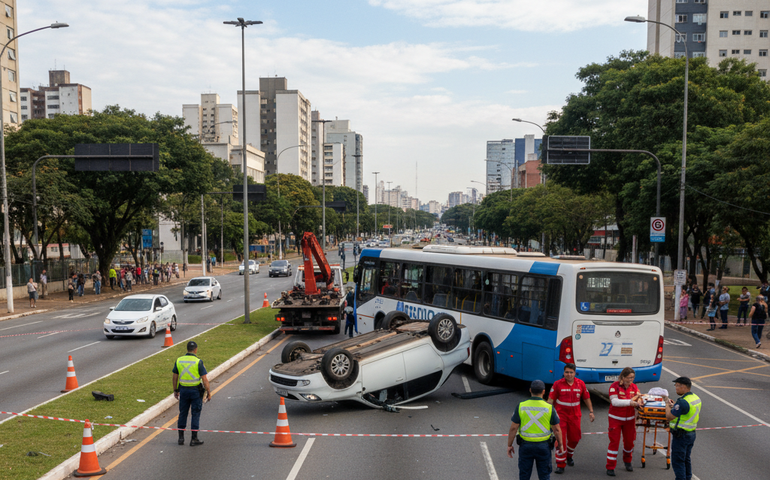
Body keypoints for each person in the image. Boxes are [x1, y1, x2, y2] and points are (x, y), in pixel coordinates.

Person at [507, 379, 563, 480]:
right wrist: (560, 444)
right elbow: (557, 430)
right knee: (544, 476)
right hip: (544, 447)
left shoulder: (521, 406)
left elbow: (513, 428)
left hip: (525, 446)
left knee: (524, 475)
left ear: (530, 390)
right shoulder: (549, 408)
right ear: (543, 392)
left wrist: (509, 445)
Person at [548, 363, 595, 474]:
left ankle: (569, 455)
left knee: (575, 438)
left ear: (575, 373)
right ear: (563, 373)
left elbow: (586, 398)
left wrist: (591, 411)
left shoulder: (580, 384)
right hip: (560, 417)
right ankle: (560, 464)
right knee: (560, 440)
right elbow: (550, 400)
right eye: (566, 372)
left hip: (575, 416)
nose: (569, 374)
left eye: (571, 372)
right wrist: (547, 414)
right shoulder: (557, 384)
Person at [172, 341, 211, 447]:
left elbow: (175, 376)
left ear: (187, 349)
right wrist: (208, 392)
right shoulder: (198, 362)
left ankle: (181, 438)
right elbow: (204, 379)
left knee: (183, 413)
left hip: (183, 390)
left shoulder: (179, 360)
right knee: (195, 413)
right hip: (195, 392)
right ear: (196, 349)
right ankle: (194, 438)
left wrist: (175, 390)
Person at [664, 377, 702, 480]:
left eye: (677, 385)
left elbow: (669, 417)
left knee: (678, 461)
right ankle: (688, 478)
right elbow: (686, 411)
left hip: (681, 435)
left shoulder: (683, 402)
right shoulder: (695, 398)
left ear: (684, 387)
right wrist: (675, 406)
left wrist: (667, 403)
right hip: (691, 434)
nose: (676, 388)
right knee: (686, 459)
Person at [605, 367, 640, 476]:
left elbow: (639, 399)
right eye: (629, 377)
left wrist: (641, 402)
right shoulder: (614, 386)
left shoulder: (634, 387)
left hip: (629, 420)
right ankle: (610, 466)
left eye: (632, 377)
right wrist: (630, 402)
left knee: (629, 442)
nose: (631, 380)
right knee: (614, 443)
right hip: (615, 419)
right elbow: (614, 402)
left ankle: (627, 461)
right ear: (623, 377)